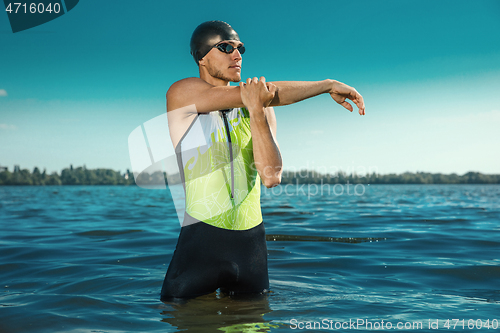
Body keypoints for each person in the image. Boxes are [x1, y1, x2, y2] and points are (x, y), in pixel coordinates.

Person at [160, 20, 365, 301]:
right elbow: (247, 94)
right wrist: (324, 85)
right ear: (202, 57)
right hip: (199, 246)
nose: (237, 54)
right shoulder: (182, 94)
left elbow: (271, 177)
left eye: (240, 48)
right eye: (226, 47)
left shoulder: (261, 109)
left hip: (250, 249)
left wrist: (258, 112)